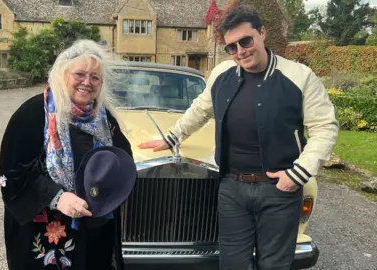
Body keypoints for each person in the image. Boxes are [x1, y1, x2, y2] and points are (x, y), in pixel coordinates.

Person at [138, 5, 339, 270]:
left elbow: (325, 127)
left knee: (274, 264)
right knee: (232, 263)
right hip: (232, 187)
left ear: (262, 33)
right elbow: (200, 109)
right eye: (231, 47)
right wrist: (172, 137)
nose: (240, 51)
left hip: (279, 189)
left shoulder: (299, 76)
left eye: (245, 41)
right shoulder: (222, 74)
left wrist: (298, 174)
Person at [0, 39, 133, 270]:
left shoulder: (104, 119)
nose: (87, 83)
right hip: (48, 233)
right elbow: (12, 172)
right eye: (79, 74)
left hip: (95, 230)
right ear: (63, 75)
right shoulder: (32, 114)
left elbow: (122, 160)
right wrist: (58, 197)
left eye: (95, 77)